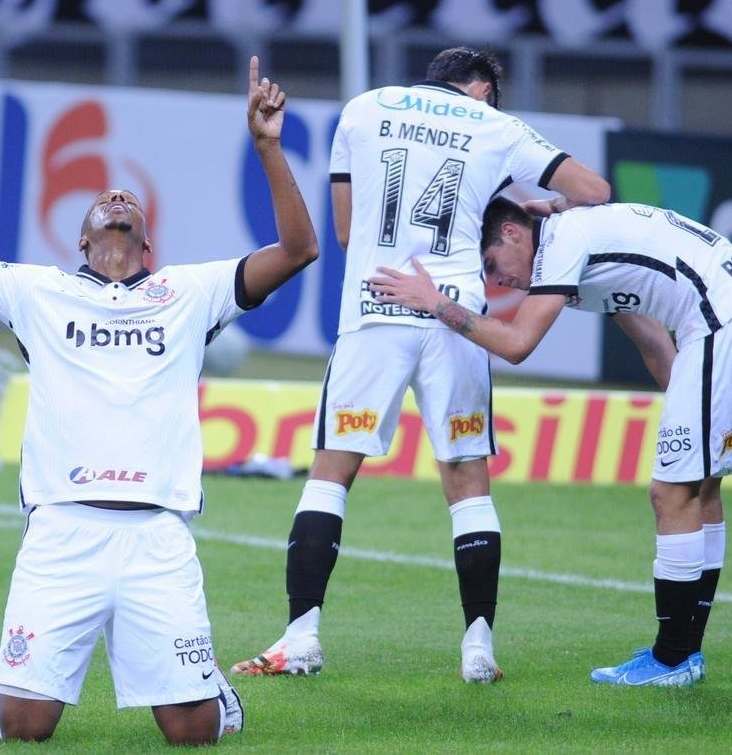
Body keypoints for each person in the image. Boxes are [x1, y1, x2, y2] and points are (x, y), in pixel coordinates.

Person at [0, 56, 318, 743]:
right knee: (22, 727)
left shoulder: (189, 294)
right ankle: (19, 680)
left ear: (147, 241)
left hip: (157, 535)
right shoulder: (37, 292)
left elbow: (299, 249)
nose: (118, 195)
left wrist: (268, 146)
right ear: (82, 239)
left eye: (129, 199)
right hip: (61, 531)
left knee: (192, 733)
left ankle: (209, 688)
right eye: (105, 199)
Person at [231, 48, 610, 683]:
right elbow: (594, 192)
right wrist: (541, 208)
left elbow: (346, 232)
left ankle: (300, 638)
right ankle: (478, 648)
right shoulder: (497, 126)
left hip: (376, 305)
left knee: (330, 476)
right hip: (452, 313)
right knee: (467, 482)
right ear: (483, 89)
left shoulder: (363, 109)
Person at [368, 196, 732, 686]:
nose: (498, 281)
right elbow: (653, 343)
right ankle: (685, 652)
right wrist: (689, 414)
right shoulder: (582, 245)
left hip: (724, 323)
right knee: (702, 488)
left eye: (492, 264)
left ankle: (672, 658)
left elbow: (517, 345)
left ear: (512, 233)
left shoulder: (562, 241)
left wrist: (434, 302)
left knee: (670, 494)